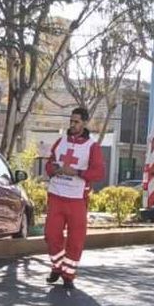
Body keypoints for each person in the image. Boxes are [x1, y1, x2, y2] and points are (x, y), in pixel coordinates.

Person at [44, 107, 106, 290]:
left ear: (85, 123)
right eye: (71, 121)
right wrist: (53, 169)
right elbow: (48, 164)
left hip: (77, 199)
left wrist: (77, 172)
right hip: (56, 195)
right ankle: (57, 266)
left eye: (76, 121)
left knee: (75, 240)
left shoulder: (92, 146)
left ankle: (68, 275)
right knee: (50, 235)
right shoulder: (60, 141)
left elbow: (99, 172)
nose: (72, 124)